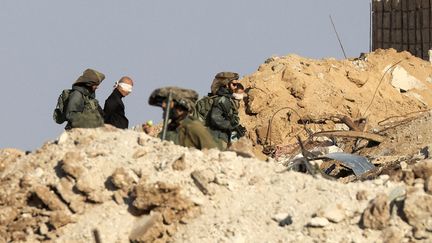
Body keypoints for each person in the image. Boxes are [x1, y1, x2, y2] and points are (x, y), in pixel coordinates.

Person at [148, 87, 219, 150]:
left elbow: (212, 154)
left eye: (167, 102)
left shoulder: (194, 128)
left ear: (181, 107)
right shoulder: (169, 129)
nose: (163, 106)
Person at [208, 74, 246, 149]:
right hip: (218, 137)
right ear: (226, 85)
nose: (235, 87)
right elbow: (215, 117)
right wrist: (231, 126)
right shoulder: (223, 99)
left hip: (222, 136)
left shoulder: (228, 99)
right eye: (234, 84)